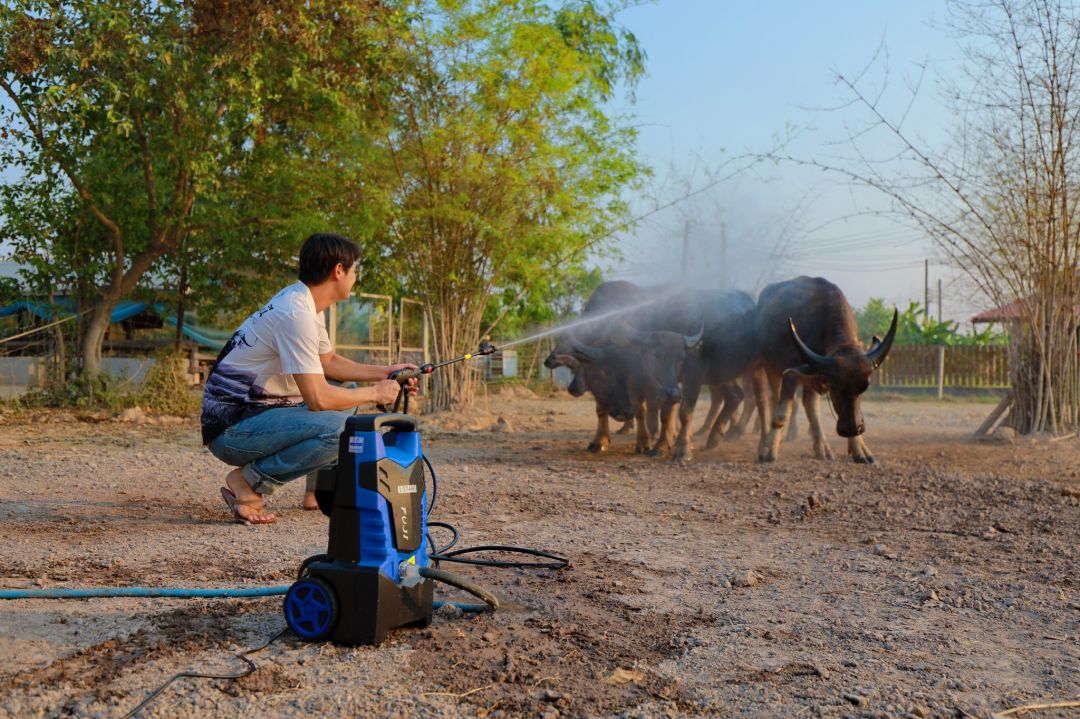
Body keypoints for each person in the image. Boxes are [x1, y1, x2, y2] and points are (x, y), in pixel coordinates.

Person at [201, 232, 417, 524]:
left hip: (256, 416)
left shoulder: (304, 302)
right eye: (354, 270)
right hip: (231, 430)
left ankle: (314, 491)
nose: (355, 277)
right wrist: (376, 393)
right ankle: (247, 482)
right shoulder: (295, 313)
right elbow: (318, 399)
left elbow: (327, 361)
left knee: (347, 399)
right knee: (340, 427)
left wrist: (386, 372)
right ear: (338, 271)